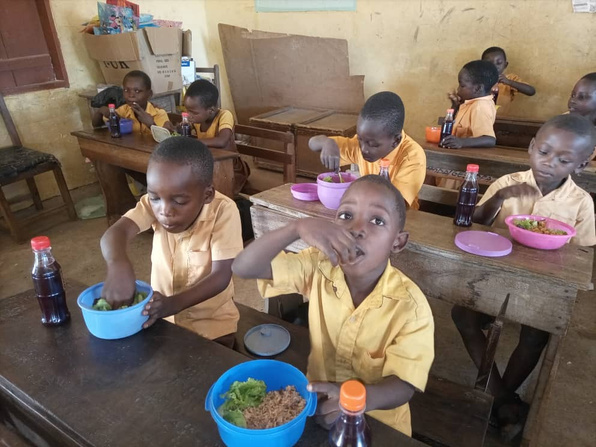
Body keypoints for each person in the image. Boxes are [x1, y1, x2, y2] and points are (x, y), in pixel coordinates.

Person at [232, 175, 435, 436]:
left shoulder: (411, 308)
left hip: (378, 422)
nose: (356, 229)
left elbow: (404, 385)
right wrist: (296, 227)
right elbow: (243, 267)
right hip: (316, 405)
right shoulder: (319, 265)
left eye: (377, 220)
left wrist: (354, 399)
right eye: (346, 215)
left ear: (397, 242)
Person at [452, 114, 596, 439]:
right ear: (532, 147)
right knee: (462, 315)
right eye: (544, 152)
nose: (548, 163)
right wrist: (501, 197)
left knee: (536, 336)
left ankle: (501, 395)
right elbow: (475, 221)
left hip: (545, 287)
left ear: (581, 164)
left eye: (563, 160)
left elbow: (584, 254)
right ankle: (502, 399)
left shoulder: (581, 203)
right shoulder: (508, 182)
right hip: (498, 277)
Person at [100, 137, 243, 347]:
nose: (164, 210)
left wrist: (173, 304)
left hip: (213, 326)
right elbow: (116, 233)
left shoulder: (224, 211)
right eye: (154, 197)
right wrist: (118, 264)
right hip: (162, 319)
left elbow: (221, 276)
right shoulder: (154, 205)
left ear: (207, 195)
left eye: (179, 201)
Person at [308, 92, 426, 209]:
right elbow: (313, 143)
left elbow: (397, 206)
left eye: (373, 144)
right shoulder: (362, 144)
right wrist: (327, 142)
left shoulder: (412, 156)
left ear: (396, 140)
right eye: (360, 139)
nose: (363, 149)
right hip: (368, 210)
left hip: (401, 218)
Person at [183, 79, 249, 195]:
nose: (189, 115)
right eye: (187, 110)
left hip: (230, 168)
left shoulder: (224, 115)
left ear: (211, 110)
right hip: (208, 165)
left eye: (193, 112)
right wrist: (182, 128)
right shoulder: (197, 120)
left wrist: (194, 143)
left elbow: (222, 141)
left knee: (208, 192)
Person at [91, 70, 174, 133]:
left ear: (149, 94)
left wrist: (151, 124)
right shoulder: (123, 111)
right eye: (126, 90)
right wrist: (100, 111)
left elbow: (165, 142)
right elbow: (96, 125)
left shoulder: (158, 113)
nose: (131, 95)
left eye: (137, 91)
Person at [441, 60, 499, 149]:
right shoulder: (470, 103)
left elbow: (489, 140)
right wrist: (455, 106)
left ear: (478, 88)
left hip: (469, 158)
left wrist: (461, 142)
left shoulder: (480, 106)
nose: (458, 89)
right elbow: (450, 126)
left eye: (462, 85)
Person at [481, 47, 536, 115]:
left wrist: (509, 82)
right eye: (489, 63)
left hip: (501, 120)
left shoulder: (510, 79)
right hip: (480, 119)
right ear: (482, 65)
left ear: (505, 65)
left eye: (499, 63)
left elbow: (531, 91)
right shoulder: (477, 79)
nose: (494, 66)